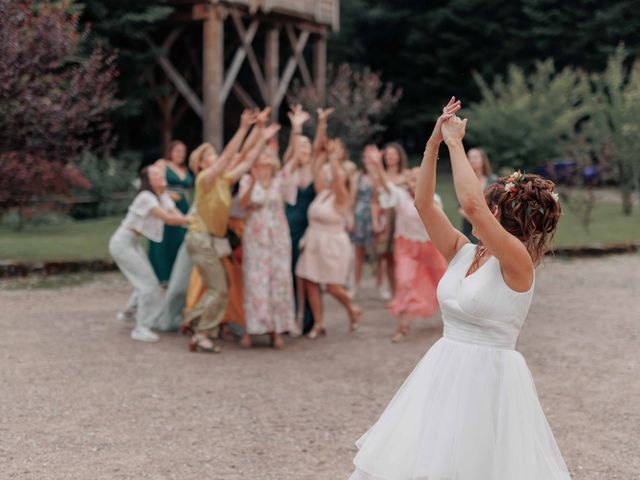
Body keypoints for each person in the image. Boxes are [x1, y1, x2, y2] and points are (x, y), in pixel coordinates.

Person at [349, 97, 570, 479]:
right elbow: (422, 204)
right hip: (443, 370)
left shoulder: (516, 261)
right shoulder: (463, 252)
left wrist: (456, 143)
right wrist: (434, 141)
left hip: (489, 380)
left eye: (490, 208)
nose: (481, 211)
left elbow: (470, 204)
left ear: (499, 214)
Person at [183, 109, 279, 353]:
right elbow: (229, 156)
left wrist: (262, 138)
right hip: (200, 238)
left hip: (211, 241)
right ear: (202, 163)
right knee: (219, 289)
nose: (217, 157)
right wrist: (244, 127)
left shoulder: (223, 180)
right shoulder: (204, 179)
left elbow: (247, 162)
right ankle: (201, 331)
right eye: (211, 155)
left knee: (221, 286)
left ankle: (195, 322)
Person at [366, 146, 448, 343]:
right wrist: (377, 164)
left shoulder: (434, 199)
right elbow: (386, 186)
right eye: (412, 178)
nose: (414, 182)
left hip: (429, 247)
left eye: (419, 178)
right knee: (403, 281)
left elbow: (441, 225)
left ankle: (452, 321)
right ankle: (402, 327)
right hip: (405, 247)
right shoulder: (401, 196)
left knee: (443, 283)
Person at [295, 110, 362, 339]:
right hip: (314, 241)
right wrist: (321, 127)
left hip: (333, 245)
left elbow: (335, 175)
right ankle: (319, 323)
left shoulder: (342, 198)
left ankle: (351, 308)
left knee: (332, 287)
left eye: (336, 176)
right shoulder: (322, 193)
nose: (332, 178)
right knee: (310, 282)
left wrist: (334, 159)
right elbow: (315, 163)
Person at [237, 126, 301, 348]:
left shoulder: (279, 180)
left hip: (278, 238)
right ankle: (250, 329)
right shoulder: (246, 179)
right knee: (255, 282)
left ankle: (275, 330)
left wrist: (296, 128)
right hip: (255, 237)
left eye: (269, 154)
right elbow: (242, 204)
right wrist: (254, 181)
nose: (267, 156)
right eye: (263, 153)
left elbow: (293, 159)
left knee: (278, 281)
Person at [109, 165, 189, 342]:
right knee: (149, 285)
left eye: (161, 173)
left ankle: (131, 313)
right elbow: (168, 219)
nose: (160, 176)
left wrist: (189, 222)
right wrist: (195, 220)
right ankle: (141, 328)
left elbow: (176, 215)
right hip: (122, 243)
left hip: (133, 243)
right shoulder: (146, 197)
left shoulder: (163, 197)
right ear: (148, 180)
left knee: (147, 279)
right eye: (155, 174)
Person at [284, 106, 318, 335]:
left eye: (307, 145)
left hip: (310, 227)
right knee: (287, 271)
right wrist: (296, 129)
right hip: (288, 225)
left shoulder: (316, 171)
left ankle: (309, 319)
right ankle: (291, 317)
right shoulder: (290, 169)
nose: (303, 149)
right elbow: (291, 153)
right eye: (300, 145)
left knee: (306, 274)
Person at [149, 140, 193, 284]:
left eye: (183, 152)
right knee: (165, 238)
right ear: (171, 151)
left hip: (182, 205)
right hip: (166, 204)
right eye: (178, 151)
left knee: (181, 237)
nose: (181, 154)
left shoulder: (184, 169)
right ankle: (163, 275)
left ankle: (179, 273)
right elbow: (154, 183)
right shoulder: (162, 164)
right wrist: (168, 194)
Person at [375, 142, 409, 301]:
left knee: (401, 257)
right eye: (387, 155)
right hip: (385, 219)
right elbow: (374, 201)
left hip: (402, 217)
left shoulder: (406, 175)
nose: (390, 157)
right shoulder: (379, 176)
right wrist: (375, 221)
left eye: (393, 154)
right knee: (388, 257)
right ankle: (394, 293)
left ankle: (404, 292)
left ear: (399, 157)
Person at [349, 153, 381, 299]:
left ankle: (380, 285)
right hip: (360, 215)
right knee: (359, 253)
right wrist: (351, 218)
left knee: (379, 253)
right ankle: (356, 285)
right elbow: (352, 198)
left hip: (375, 214)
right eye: (366, 158)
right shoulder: (358, 176)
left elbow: (378, 197)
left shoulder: (379, 176)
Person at [459, 147, 496, 242]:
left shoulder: (493, 181)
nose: (471, 160)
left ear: (483, 160)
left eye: (475, 157)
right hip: (470, 229)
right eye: (469, 157)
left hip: (492, 228)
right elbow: (460, 208)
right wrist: (479, 223)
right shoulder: (463, 181)